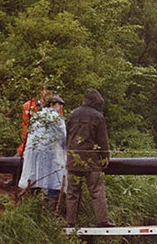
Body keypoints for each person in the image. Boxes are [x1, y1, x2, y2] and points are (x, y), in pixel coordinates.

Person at [65, 88, 115, 228]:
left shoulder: (72, 114)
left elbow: (68, 136)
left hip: (73, 160)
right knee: (96, 190)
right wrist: (105, 159)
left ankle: (70, 223)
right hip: (92, 162)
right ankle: (102, 221)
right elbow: (103, 141)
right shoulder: (98, 117)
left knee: (72, 193)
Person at [18, 95, 67, 213]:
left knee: (35, 180)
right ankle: (49, 213)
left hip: (34, 155)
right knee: (53, 182)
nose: (60, 107)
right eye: (59, 104)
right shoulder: (55, 117)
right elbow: (63, 136)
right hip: (50, 155)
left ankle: (31, 210)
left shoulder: (37, 116)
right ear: (51, 104)